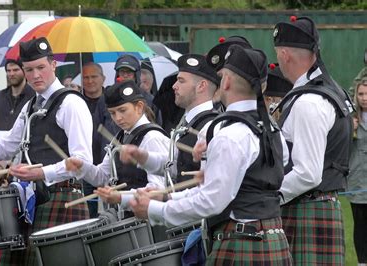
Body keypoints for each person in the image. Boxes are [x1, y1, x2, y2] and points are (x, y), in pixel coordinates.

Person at [125, 45, 292, 265]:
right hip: (272, 238)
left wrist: (156, 210)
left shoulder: (230, 134)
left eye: (221, 75)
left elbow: (211, 200)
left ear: (227, 82)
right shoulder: (271, 130)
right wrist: (165, 196)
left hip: (241, 242)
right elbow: (278, 167)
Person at [0, 37, 93, 265]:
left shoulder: (71, 103)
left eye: (41, 67)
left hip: (63, 198)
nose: (35, 75)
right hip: (33, 201)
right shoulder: (31, 105)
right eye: (29, 69)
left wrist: (41, 173)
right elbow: (8, 145)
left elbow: (82, 161)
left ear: (53, 65)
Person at [273, 16, 353, 264]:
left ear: (285, 54)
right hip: (315, 207)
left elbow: (308, 173)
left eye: (277, 54)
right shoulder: (329, 90)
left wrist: (265, 198)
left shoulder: (309, 101)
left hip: (306, 209)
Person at [66, 80, 169, 218]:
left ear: (139, 107)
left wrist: (120, 197)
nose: (118, 118)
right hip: (129, 219)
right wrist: (81, 167)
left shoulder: (152, 137)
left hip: (149, 223)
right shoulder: (121, 136)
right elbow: (103, 176)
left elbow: (157, 190)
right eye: (112, 113)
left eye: (122, 110)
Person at [117, 54, 221, 185]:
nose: (174, 86)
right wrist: (141, 156)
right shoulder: (189, 122)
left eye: (181, 81)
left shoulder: (210, 128)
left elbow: (210, 188)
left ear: (201, 86)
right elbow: (174, 166)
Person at [81, 62, 107, 217]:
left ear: (103, 78)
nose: (90, 81)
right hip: (86, 165)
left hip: (106, 162)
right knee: (88, 213)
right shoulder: (75, 101)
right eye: (85, 77)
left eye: (94, 76)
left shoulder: (111, 100)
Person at [347, 76, 367, 266]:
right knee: (360, 224)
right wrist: (347, 130)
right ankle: (362, 262)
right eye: (360, 94)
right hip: (357, 180)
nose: (364, 98)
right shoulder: (350, 119)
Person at [0, 59, 34, 130]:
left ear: (24, 71)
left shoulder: (33, 96)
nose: (11, 74)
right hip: (2, 139)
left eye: (15, 70)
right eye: (8, 70)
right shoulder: (0, 96)